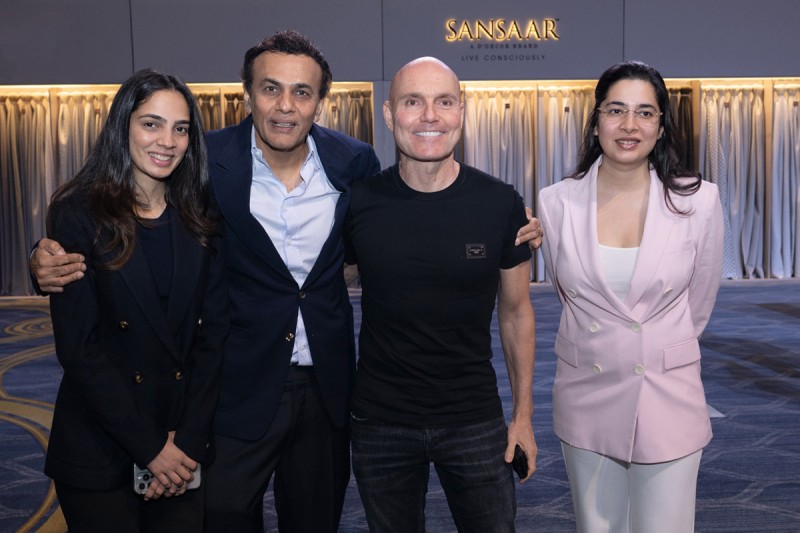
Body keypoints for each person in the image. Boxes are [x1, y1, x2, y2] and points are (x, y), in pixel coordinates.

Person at [30, 32, 543, 532]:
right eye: (271, 88)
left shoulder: (353, 163)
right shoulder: (203, 161)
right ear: (248, 94)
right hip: (235, 386)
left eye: (302, 92)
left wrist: (507, 227)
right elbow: (136, 217)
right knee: (223, 517)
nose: (285, 106)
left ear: (320, 102)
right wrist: (45, 256)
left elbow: (409, 223)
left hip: (327, 391)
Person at [345, 57, 537, 533]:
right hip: (380, 421)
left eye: (444, 102)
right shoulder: (359, 203)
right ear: (389, 114)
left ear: (461, 112)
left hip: (473, 418)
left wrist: (523, 417)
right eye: (413, 102)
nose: (430, 116)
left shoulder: (500, 203)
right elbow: (321, 292)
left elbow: (516, 314)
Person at [537, 61, 723, 533]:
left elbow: (699, 303)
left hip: (668, 394)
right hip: (587, 392)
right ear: (596, 119)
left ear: (660, 126)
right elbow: (567, 293)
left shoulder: (699, 200)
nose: (629, 125)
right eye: (616, 110)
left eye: (644, 113)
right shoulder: (555, 202)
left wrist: (656, 348)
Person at [44, 69, 228, 532]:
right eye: (151, 124)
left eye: (180, 128)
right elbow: (80, 351)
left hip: (181, 443)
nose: (167, 141)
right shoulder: (77, 213)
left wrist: (185, 443)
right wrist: (151, 448)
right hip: (101, 445)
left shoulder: (202, 215)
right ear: (122, 126)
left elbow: (213, 338)